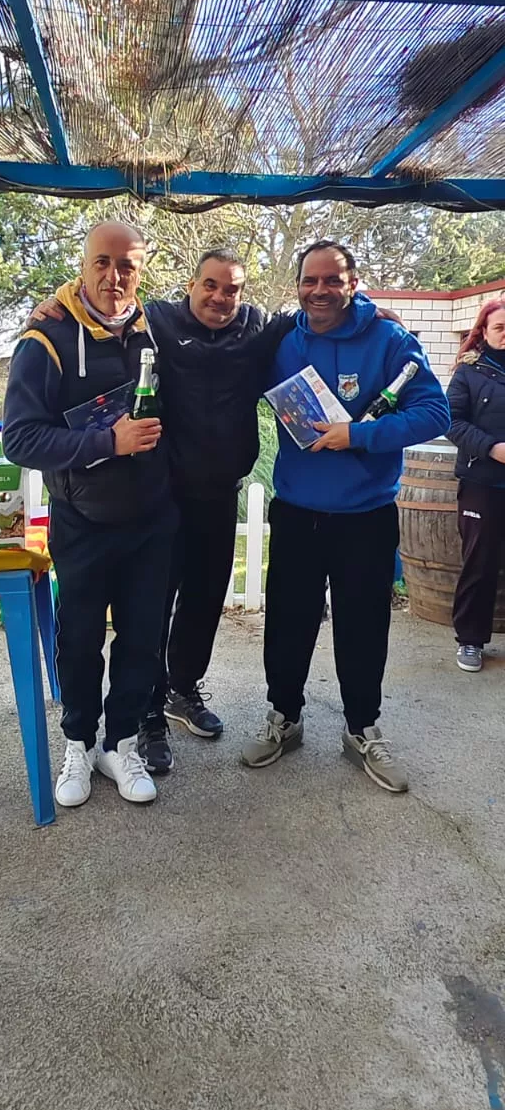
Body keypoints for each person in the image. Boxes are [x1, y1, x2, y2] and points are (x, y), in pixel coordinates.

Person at [29, 248, 296, 772]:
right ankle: (146, 714)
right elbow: (106, 296)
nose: (221, 297)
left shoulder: (257, 329)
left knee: (204, 602)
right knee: (151, 613)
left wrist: (371, 310)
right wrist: (52, 305)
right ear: (191, 285)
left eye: (232, 288)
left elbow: (308, 315)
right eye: (211, 285)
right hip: (166, 496)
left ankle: (183, 691)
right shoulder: (160, 322)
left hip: (221, 493)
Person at [242, 240, 450, 793]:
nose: (320, 291)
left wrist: (358, 435)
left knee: (363, 628)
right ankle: (283, 718)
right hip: (297, 513)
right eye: (310, 281)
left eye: (332, 280)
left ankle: (362, 729)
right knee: (287, 625)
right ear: (298, 287)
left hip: (366, 516)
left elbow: (435, 411)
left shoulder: (390, 339)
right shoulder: (282, 340)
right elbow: (210, 335)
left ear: (353, 282)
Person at [2, 221, 177, 810]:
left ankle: (120, 742)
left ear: (141, 270)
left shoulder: (159, 330)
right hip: (81, 520)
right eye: (102, 262)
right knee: (78, 640)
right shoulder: (45, 336)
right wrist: (109, 443)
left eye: (126, 265)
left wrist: (365, 308)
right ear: (83, 264)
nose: (113, 276)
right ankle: (77, 742)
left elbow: (231, 322)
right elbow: (21, 440)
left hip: (153, 522)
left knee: (142, 641)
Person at [446, 299, 505, 673]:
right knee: (480, 564)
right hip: (483, 482)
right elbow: (451, 421)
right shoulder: (469, 373)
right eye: (501, 328)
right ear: (483, 332)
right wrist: (493, 448)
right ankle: (470, 641)